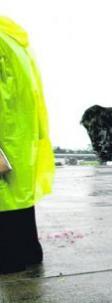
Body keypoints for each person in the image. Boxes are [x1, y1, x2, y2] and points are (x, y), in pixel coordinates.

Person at [0, 17, 54, 274]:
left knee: (4, 197)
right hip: (22, 135)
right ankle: (30, 251)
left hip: (5, 131)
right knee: (19, 197)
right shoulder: (13, 38)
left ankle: (9, 260)